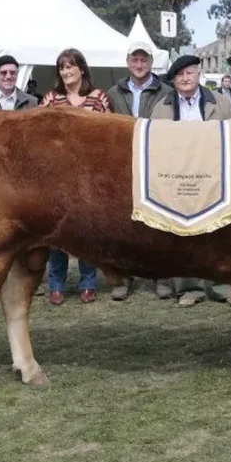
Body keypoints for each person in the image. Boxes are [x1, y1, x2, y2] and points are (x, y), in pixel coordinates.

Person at [148, 54, 231, 307]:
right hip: (177, 180)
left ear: (199, 75)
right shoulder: (161, 107)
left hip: (214, 179)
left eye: (189, 73)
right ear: (174, 80)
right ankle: (190, 288)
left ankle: (222, 286)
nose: (185, 78)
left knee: (219, 233)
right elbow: (153, 145)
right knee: (183, 235)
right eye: (179, 75)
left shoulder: (220, 103)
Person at [41, 48, 111, 305]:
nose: (66, 71)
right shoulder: (50, 99)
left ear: (82, 68)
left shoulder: (99, 98)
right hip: (58, 177)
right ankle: (56, 284)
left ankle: (88, 283)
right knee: (57, 231)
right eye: (61, 67)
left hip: (90, 176)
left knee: (87, 231)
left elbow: (108, 136)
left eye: (70, 66)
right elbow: (40, 136)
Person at [105, 40, 171, 301]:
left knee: (159, 221)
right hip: (122, 163)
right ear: (128, 62)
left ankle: (162, 276)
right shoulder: (113, 92)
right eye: (135, 59)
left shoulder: (166, 90)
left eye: (144, 60)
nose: (140, 64)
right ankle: (122, 278)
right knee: (121, 223)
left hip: (156, 161)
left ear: (151, 63)